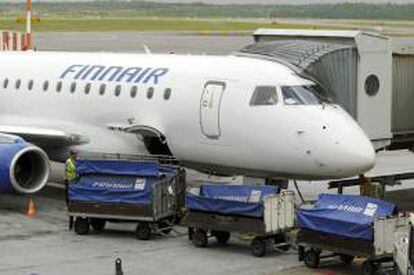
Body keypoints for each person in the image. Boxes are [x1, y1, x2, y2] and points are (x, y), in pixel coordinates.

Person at [65, 149, 78, 230]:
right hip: (69, 182)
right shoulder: (69, 162)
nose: (76, 155)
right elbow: (69, 172)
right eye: (75, 154)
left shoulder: (76, 161)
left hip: (74, 182)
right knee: (70, 202)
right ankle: (71, 224)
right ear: (71, 155)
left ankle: (72, 223)